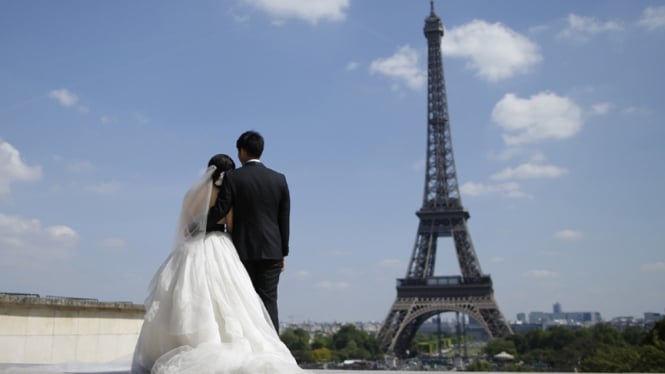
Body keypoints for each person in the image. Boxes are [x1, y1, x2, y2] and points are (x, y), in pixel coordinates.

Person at [131, 154, 305, 374]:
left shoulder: (190, 194)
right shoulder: (224, 195)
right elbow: (229, 224)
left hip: (190, 248)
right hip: (217, 244)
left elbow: (186, 225)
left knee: (186, 296)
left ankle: (181, 344)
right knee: (229, 296)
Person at [208, 130, 290, 332]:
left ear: (242, 151)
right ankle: (273, 349)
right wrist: (283, 253)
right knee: (269, 302)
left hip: (242, 249)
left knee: (244, 301)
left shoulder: (233, 178)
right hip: (272, 251)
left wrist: (197, 226)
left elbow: (221, 209)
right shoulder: (279, 179)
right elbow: (284, 220)